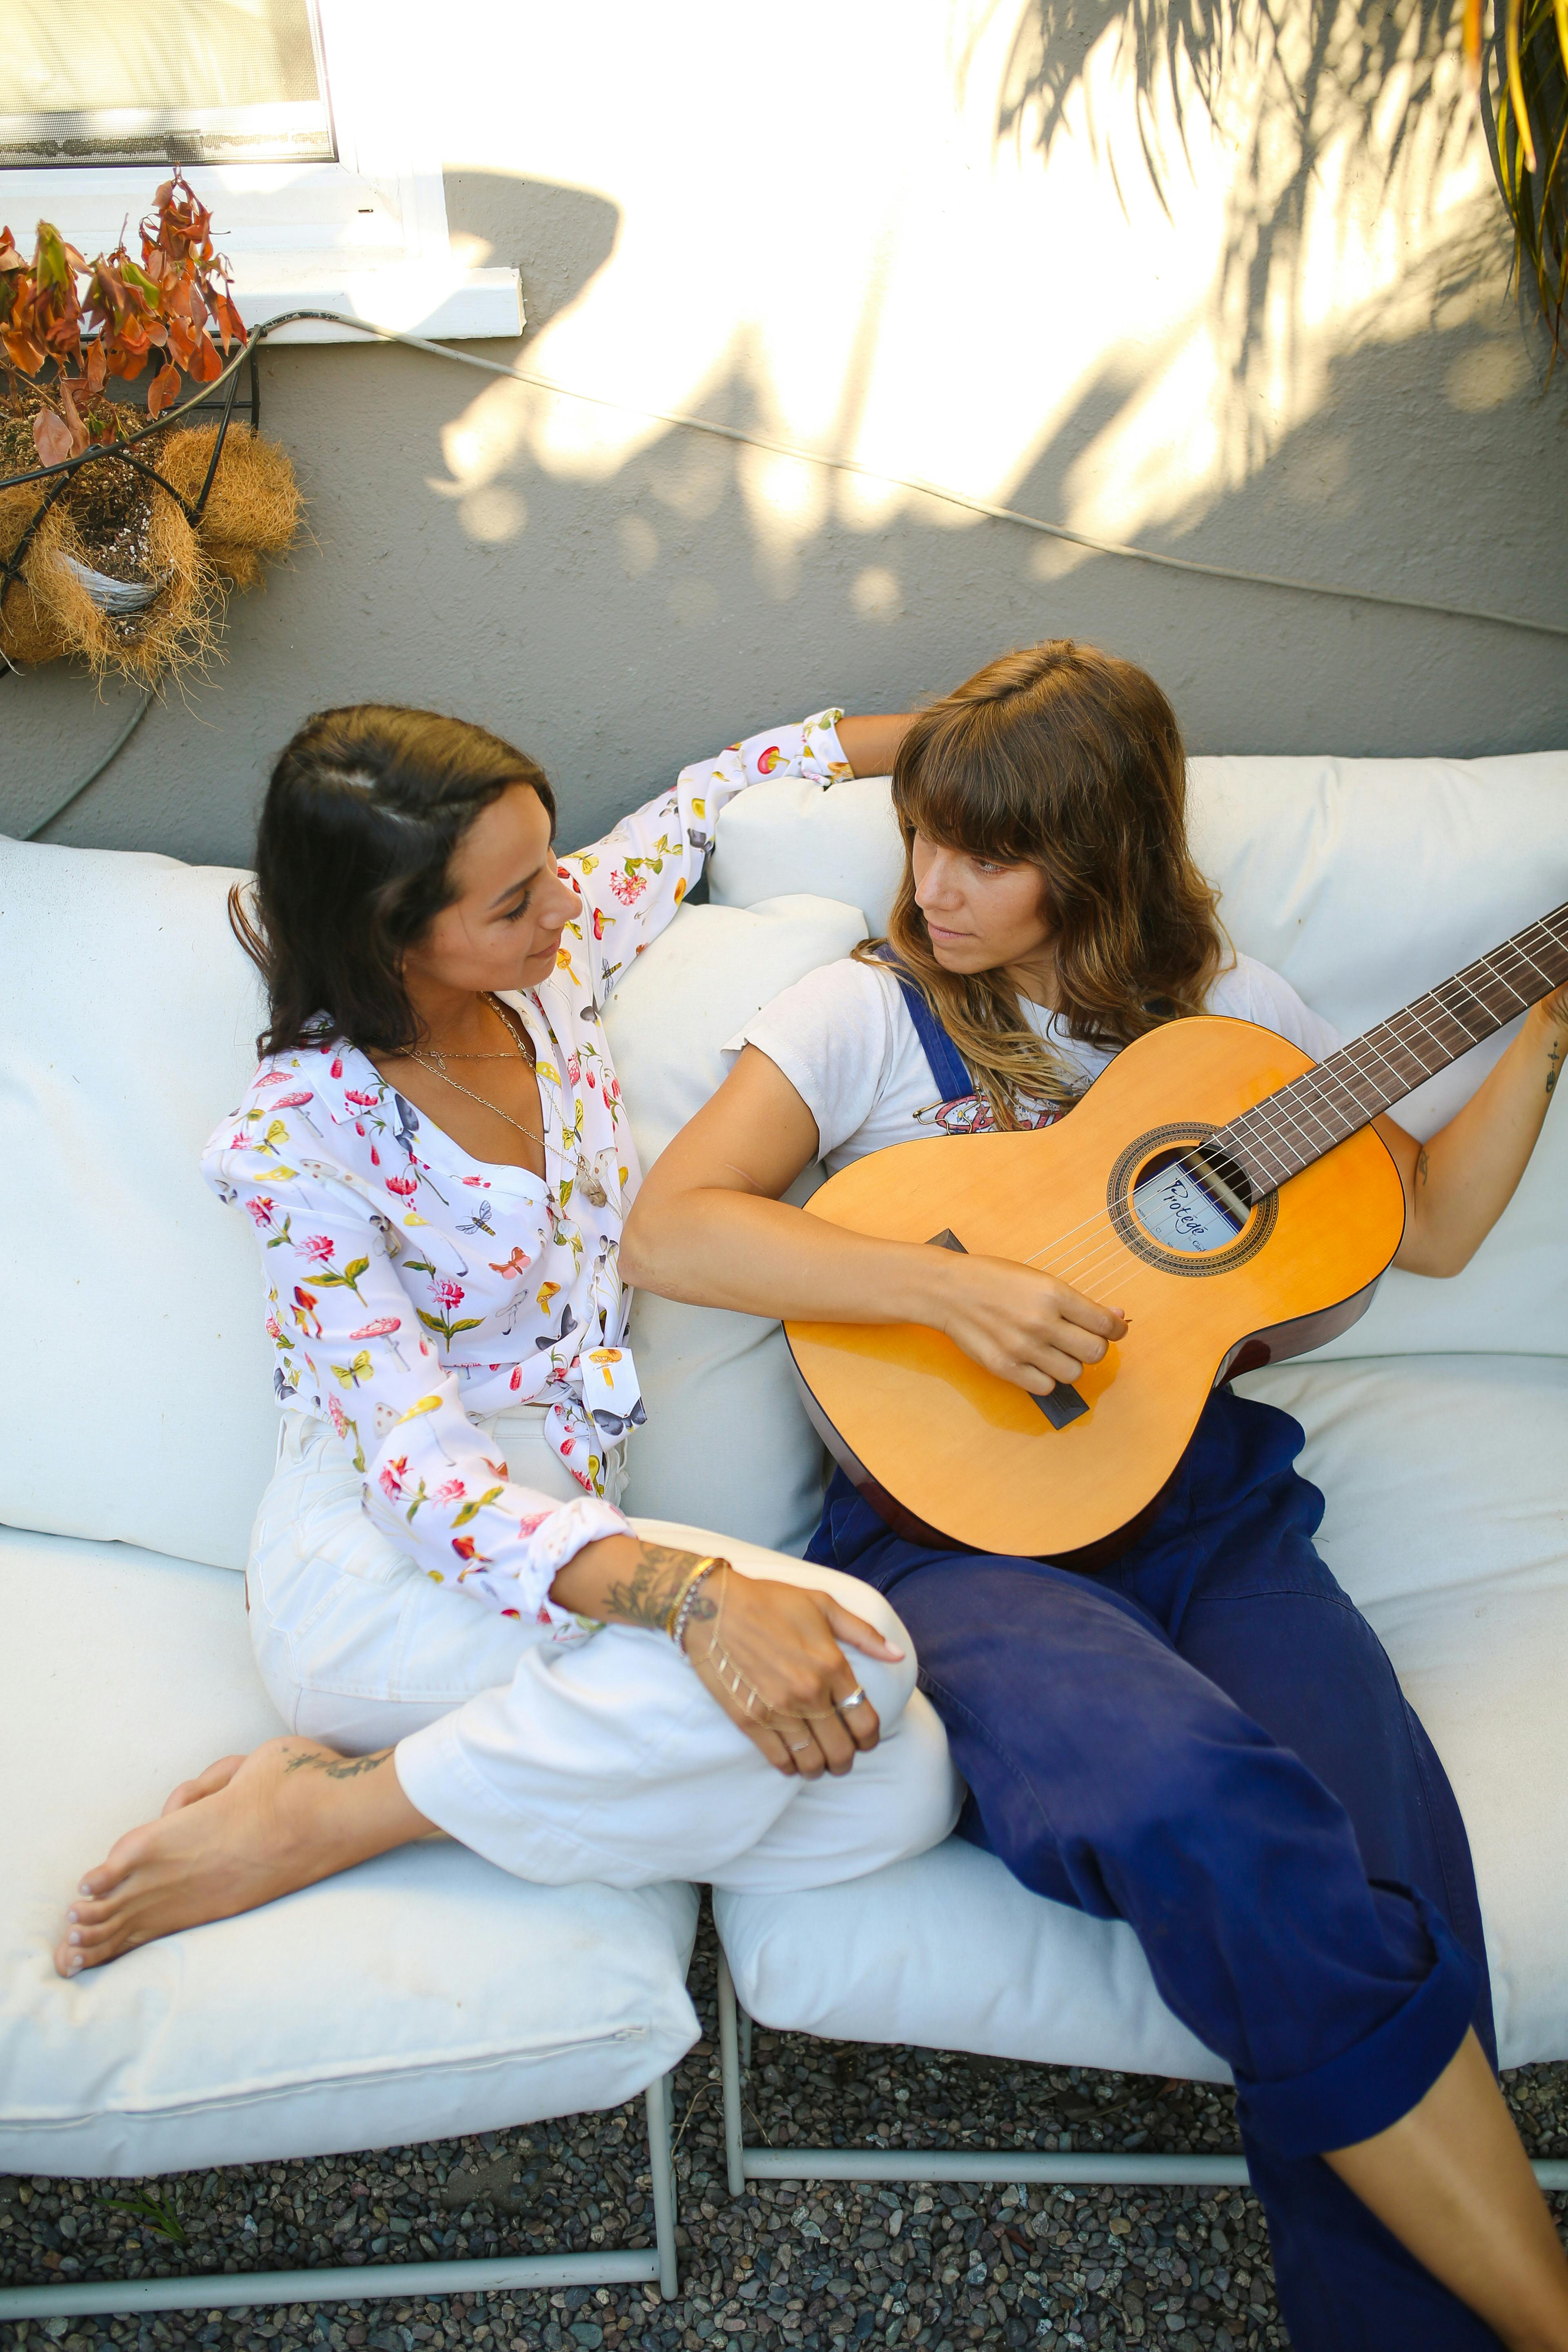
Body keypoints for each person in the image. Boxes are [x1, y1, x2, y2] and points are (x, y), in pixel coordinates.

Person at [621, 642, 1568, 2352]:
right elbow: (675, 1226)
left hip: (1210, 1509)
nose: (937, 884)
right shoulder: (863, 1007)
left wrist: (1542, 1036)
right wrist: (940, 1291)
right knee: (1196, 1796)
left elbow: (1421, 1228)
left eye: (989, 855)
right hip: (956, 1535)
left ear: (1108, 850)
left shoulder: (1231, 1025)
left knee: (1388, 1859)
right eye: (925, 839)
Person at [53, 702, 960, 1980]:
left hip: (566, 1537)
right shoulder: (296, 1138)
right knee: (865, 1667)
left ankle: (376, 1792)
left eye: (550, 871)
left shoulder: (550, 977)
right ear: (393, 933)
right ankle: (320, 1821)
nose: (563, 910)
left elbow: (708, 795)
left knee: (903, 1781)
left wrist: (956, 725)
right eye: (516, 899)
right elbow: (421, 1476)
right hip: (381, 1566)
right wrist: (694, 1600)